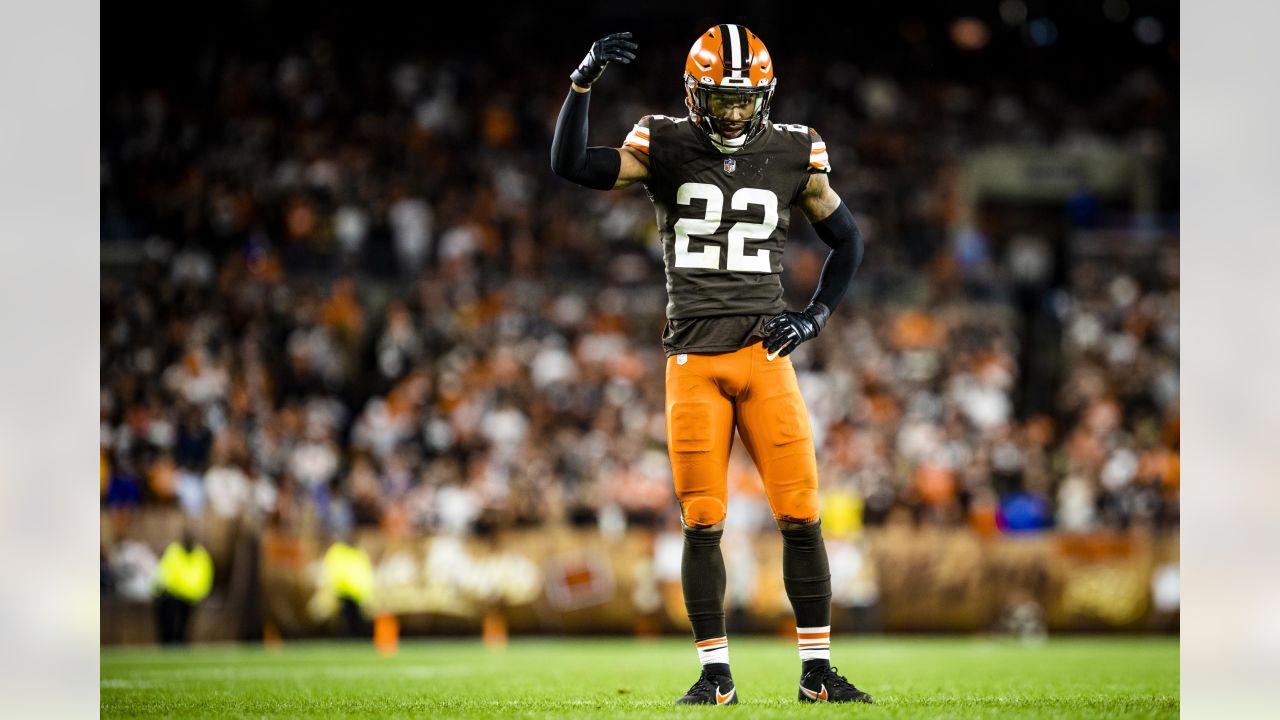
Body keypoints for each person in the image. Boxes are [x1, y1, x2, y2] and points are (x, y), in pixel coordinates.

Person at [551, 25, 872, 705]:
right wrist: (582, 84)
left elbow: (848, 241)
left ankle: (817, 674)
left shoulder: (794, 150)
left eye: (742, 98)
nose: (731, 111)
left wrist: (814, 317)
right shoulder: (663, 142)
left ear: (764, 95)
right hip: (693, 359)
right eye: (720, 99)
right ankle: (716, 675)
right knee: (702, 519)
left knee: (802, 511)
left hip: (764, 357)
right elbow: (573, 165)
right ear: (694, 94)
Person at [153, 530, 214, 645]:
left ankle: (179, 642)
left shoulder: (200, 554)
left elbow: (206, 574)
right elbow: (166, 573)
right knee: (169, 621)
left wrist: (201, 592)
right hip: (173, 594)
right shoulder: (174, 552)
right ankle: (168, 642)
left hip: (189, 596)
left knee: (183, 624)